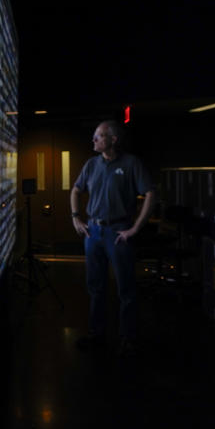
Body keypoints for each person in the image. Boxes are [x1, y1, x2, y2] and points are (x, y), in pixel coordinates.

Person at [70, 120, 155, 355]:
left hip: (118, 232)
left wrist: (135, 228)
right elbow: (76, 190)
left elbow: (149, 193)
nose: (94, 140)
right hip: (94, 232)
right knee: (95, 286)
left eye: (99, 136)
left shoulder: (130, 163)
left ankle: (128, 337)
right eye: (94, 136)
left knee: (126, 287)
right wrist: (76, 217)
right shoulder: (91, 165)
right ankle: (97, 334)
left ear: (113, 139)